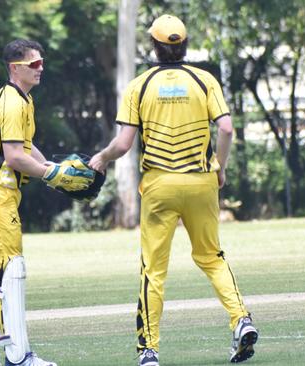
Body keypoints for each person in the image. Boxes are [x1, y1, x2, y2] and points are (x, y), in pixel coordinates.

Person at [88, 15, 259, 366]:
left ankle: (149, 351)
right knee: (212, 257)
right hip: (201, 183)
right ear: (184, 44)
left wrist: (101, 159)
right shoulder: (204, 79)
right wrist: (219, 168)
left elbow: (123, 145)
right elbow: (225, 128)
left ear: (153, 45)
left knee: (154, 269)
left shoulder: (139, 86)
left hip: (159, 186)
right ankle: (240, 319)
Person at [0, 39, 93, 366]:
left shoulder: (21, 99)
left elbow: (26, 150)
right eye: (34, 64)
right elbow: (14, 158)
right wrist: (53, 175)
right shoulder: (12, 103)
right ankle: (17, 355)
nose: (41, 68)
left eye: (41, 62)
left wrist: (54, 170)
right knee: (11, 270)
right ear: (16, 68)